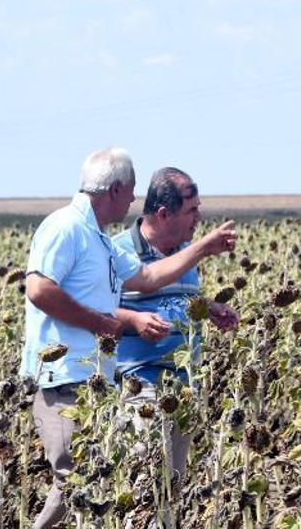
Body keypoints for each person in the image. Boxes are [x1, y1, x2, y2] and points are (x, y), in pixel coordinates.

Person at [21, 149, 236, 529]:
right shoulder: (66, 227)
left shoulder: (99, 241)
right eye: (132, 191)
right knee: (74, 484)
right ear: (115, 190)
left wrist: (203, 252)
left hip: (95, 381)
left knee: (97, 483)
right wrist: (102, 323)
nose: (135, 200)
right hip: (64, 377)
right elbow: (38, 290)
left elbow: (149, 279)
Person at [113, 167, 239, 489]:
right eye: (192, 209)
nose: (199, 216)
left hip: (183, 386)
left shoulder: (185, 251)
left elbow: (182, 296)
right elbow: (93, 310)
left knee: (172, 487)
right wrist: (133, 320)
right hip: (140, 386)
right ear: (164, 213)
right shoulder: (118, 250)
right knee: (143, 486)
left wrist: (209, 308)